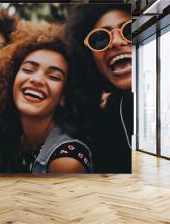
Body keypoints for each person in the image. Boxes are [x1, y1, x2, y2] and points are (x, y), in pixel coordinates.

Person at [0, 24, 93, 173]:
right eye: (28, 70)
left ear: (64, 97)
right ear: (11, 79)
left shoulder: (66, 163)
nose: (37, 80)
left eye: (54, 76)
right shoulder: (12, 139)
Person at [65, 4, 133, 173]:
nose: (117, 42)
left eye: (129, 30)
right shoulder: (94, 123)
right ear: (89, 58)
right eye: (100, 38)